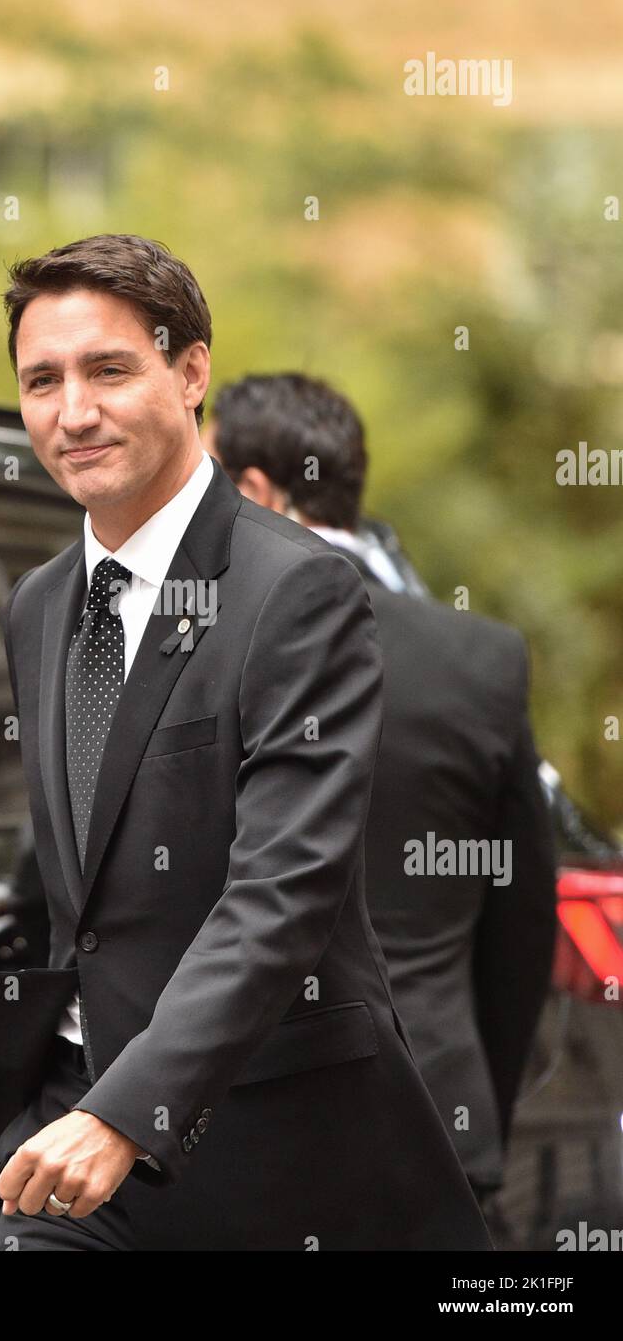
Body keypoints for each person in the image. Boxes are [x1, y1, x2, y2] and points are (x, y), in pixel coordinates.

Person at [0, 234, 496, 1252]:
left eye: (108, 369)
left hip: (275, 1141)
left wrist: (131, 1110)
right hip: (79, 1135)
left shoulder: (294, 591)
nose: (72, 411)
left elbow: (282, 890)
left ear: (191, 368)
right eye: (42, 380)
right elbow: (72, 887)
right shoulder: (36, 607)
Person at [209, 372, 557, 1206]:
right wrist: (478, 1116)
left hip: (249, 1134)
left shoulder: (208, 640)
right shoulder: (483, 658)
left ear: (256, 490)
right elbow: (521, 924)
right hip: (437, 1124)